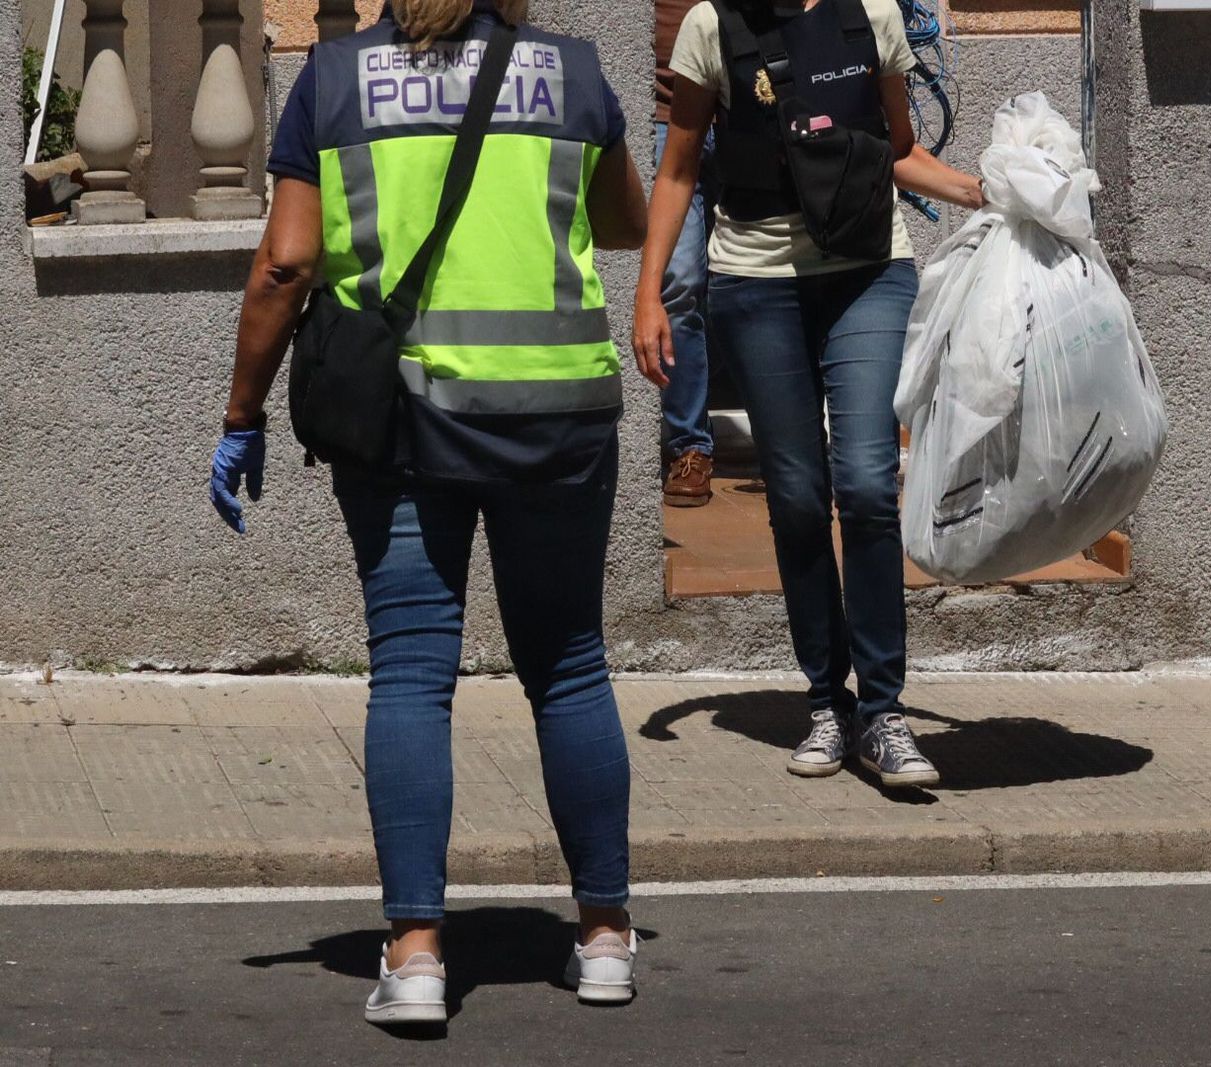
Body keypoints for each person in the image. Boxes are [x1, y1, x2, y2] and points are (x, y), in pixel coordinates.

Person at [207, 0, 648, 1025]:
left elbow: (285, 263)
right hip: (558, 414)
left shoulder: (334, 79)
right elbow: (622, 219)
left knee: (412, 670)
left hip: (409, 420)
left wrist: (243, 410)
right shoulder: (572, 73)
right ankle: (604, 936)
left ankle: (413, 954)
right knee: (570, 663)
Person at [634, 0, 985, 789]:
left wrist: (983, 193)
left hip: (869, 275)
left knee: (864, 483)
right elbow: (680, 169)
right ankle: (830, 703)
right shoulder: (709, 26)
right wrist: (649, 292)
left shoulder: (875, 16)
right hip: (755, 285)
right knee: (796, 496)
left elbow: (897, 148)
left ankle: (885, 711)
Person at [654, 0, 719, 508]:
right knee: (678, 280)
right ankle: (689, 446)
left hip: (753, 110)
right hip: (666, 116)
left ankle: (803, 442)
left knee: (781, 273)